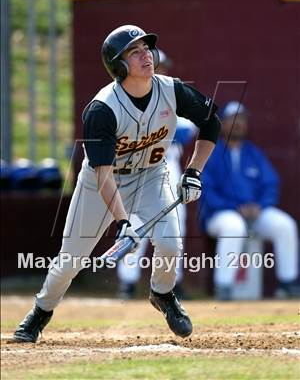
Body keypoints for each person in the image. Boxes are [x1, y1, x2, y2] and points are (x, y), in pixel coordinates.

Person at [12, 24, 220, 342]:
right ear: (118, 66)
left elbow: (211, 122)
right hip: (102, 184)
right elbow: (103, 174)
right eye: (134, 52)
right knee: (71, 260)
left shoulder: (171, 90)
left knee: (168, 243)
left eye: (146, 48)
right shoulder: (102, 109)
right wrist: (123, 222)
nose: (146, 55)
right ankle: (40, 313)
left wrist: (194, 170)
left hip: (151, 176)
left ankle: (162, 294)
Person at [117, 49, 197, 299]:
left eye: (161, 66)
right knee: (137, 224)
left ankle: (172, 282)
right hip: (140, 169)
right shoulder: (126, 97)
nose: (159, 71)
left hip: (170, 167)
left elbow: (189, 128)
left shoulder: (171, 94)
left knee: (175, 226)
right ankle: (127, 282)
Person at [200, 101, 300, 300]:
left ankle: (288, 283)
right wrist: (234, 207)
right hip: (220, 214)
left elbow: (270, 184)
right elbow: (206, 191)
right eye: (232, 119)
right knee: (234, 227)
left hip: (255, 212)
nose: (238, 124)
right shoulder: (211, 152)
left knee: (285, 225)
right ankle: (224, 287)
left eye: (242, 119)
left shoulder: (253, 153)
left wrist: (260, 206)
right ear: (223, 123)